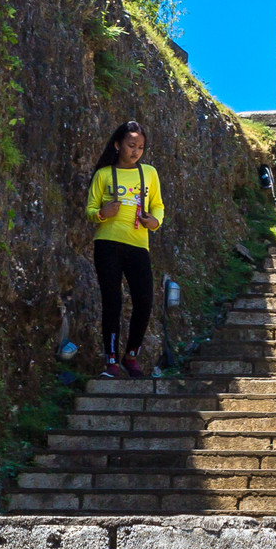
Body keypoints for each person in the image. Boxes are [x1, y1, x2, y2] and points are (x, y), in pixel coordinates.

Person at [86, 120, 164, 379]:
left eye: (141, 147)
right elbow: (90, 210)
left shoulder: (150, 173)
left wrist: (153, 221)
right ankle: (110, 360)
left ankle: (131, 355)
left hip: (138, 244)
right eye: (131, 145)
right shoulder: (104, 174)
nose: (136, 151)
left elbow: (158, 205)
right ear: (118, 145)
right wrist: (102, 213)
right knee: (113, 301)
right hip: (107, 243)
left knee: (144, 300)